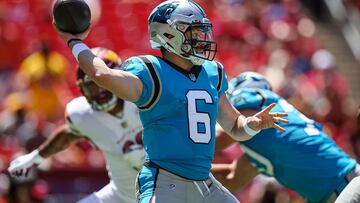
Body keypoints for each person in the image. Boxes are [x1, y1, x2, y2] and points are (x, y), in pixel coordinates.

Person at [53, 1, 288, 202]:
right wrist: (75, 41)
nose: (201, 38)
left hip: (204, 182)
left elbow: (235, 127)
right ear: (168, 35)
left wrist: (252, 124)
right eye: (193, 32)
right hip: (164, 181)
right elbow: (102, 75)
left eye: (201, 31)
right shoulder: (151, 72)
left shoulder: (212, 72)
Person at [8, 47, 145, 203]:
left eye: (102, 84)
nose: (99, 93)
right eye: (92, 87)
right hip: (120, 194)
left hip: (164, 190)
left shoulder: (145, 99)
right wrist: (35, 157)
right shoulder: (83, 114)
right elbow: (69, 134)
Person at [212, 72, 360, 203]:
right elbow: (230, 178)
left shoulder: (249, 99)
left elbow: (216, 138)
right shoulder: (267, 141)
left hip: (345, 185)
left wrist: (189, 151)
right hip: (342, 185)